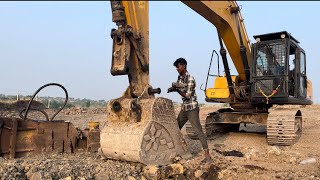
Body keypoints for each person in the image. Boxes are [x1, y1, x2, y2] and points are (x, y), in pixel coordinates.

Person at [167, 57, 213, 163]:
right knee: (176, 127)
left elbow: (187, 95)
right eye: (176, 67)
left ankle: (207, 156)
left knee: (198, 131)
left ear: (184, 66)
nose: (177, 69)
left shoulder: (190, 78)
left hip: (192, 108)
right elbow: (179, 87)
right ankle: (175, 150)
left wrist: (177, 90)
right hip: (185, 108)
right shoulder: (180, 78)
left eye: (178, 67)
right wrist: (173, 88)